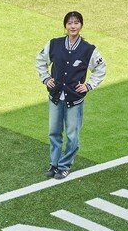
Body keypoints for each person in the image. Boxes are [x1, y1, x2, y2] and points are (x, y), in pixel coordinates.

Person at [36, 11, 107, 179]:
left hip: (74, 99)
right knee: (54, 131)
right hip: (55, 96)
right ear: (65, 26)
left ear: (81, 25)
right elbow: (40, 60)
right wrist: (46, 78)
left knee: (72, 134)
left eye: (76, 23)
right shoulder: (54, 44)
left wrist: (89, 85)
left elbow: (101, 68)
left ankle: (65, 165)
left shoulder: (88, 49)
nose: (73, 26)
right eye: (69, 23)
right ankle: (54, 164)